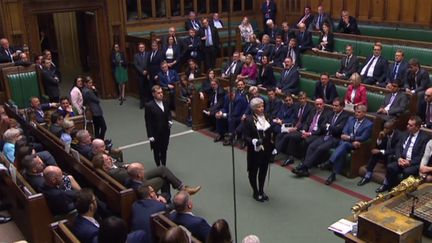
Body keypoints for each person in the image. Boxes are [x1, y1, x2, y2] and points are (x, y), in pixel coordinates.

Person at [292, 98, 349, 177]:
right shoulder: (331, 113)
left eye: (336, 106)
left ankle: (304, 166)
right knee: (311, 146)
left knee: (320, 148)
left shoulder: (345, 116)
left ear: (342, 107)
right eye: (333, 106)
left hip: (334, 138)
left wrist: (329, 126)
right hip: (325, 135)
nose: (334, 107)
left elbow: (339, 130)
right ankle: (306, 170)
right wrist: (330, 127)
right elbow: (322, 126)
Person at [321, 105, 373, 185]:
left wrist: (349, 138)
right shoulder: (350, 119)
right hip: (348, 143)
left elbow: (363, 138)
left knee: (344, 145)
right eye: (355, 111)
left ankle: (330, 162)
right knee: (343, 150)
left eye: (359, 112)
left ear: (364, 113)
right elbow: (344, 132)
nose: (356, 113)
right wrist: (351, 139)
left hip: (356, 146)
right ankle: (332, 174)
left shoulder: (369, 124)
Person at [376, 116, 430, 193]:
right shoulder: (405, 133)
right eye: (408, 124)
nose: (407, 126)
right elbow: (398, 147)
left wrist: (409, 162)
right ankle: (391, 189)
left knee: (407, 171)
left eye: (410, 125)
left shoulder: (424, 138)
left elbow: (421, 156)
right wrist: (399, 158)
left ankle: (402, 191)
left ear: (417, 127)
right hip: (401, 160)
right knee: (390, 167)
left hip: (413, 163)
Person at [279, 98, 329, 166]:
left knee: (306, 141)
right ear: (315, 105)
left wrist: (309, 134)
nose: (319, 106)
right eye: (317, 104)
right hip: (307, 131)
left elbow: (321, 128)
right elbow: (306, 123)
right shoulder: (313, 111)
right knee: (292, 136)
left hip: (316, 134)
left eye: (320, 104)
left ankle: (304, 160)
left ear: (323, 105)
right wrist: (304, 131)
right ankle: (290, 157)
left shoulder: (327, 114)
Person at [243, 97, 274, 202]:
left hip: (266, 151)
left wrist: (273, 147)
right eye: (259, 107)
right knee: (253, 172)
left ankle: (261, 190)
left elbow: (271, 134)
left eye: (262, 106)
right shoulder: (248, 120)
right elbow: (245, 137)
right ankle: (255, 191)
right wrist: (254, 141)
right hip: (254, 152)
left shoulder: (268, 117)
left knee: (263, 171)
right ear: (254, 109)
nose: (262, 108)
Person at [357, 120, 401, 186]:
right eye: (384, 128)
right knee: (375, 153)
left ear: (392, 128)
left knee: (389, 155)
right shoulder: (384, 133)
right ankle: (367, 175)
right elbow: (378, 147)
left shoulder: (399, 135)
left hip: (393, 156)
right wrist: (379, 139)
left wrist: (381, 151)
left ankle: (386, 182)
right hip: (385, 154)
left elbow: (396, 150)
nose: (385, 130)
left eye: (387, 128)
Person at [144, 85, 172, 166]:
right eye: (158, 93)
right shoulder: (149, 106)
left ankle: (164, 165)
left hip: (165, 132)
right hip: (155, 134)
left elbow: (169, 113)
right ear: (153, 94)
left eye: (161, 92)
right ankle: (158, 166)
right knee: (156, 151)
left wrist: (170, 120)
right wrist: (150, 135)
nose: (161, 94)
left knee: (164, 150)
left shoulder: (166, 101)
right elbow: (148, 121)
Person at [133, 42, 150, 109]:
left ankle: (148, 102)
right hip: (140, 75)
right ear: (138, 48)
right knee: (141, 89)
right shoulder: (136, 55)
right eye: (140, 47)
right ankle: (142, 102)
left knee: (148, 89)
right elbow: (136, 65)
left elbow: (149, 63)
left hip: (148, 74)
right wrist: (142, 71)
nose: (141, 48)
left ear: (144, 47)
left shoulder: (148, 54)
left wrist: (147, 71)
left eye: (142, 47)